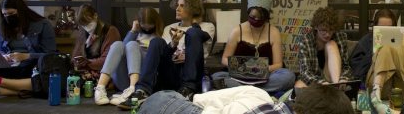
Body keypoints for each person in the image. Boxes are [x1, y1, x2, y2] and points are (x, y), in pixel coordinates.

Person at [120, 0, 215, 109]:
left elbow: (200, 50)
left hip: (191, 75)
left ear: (193, 9)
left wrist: (194, 24)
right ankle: (142, 91)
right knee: (156, 42)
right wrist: (173, 45)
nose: (177, 9)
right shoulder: (169, 28)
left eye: (182, 6)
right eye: (177, 5)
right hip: (171, 74)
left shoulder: (207, 26)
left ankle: (188, 90)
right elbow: (165, 56)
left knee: (192, 33)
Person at [212, 0, 295, 94]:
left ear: (266, 16)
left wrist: (261, 69)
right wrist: (243, 68)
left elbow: (278, 64)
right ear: (248, 13)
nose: (256, 20)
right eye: (253, 17)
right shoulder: (237, 31)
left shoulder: (273, 32)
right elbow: (224, 59)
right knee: (217, 76)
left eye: (260, 18)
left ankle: (245, 91)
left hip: (266, 76)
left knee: (289, 76)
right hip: (240, 75)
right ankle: (258, 91)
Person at [94, 7, 164, 105]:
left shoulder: (160, 36)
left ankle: (133, 89)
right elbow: (123, 50)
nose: (147, 29)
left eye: (150, 26)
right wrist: (133, 31)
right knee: (118, 44)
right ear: (139, 23)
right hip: (124, 77)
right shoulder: (135, 33)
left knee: (132, 44)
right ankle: (100, 87)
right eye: (144, 26)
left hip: (143, 81)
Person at [0, 0, 57, 98]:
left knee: (44, 77)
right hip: (10, 67)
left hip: (31, 67)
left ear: (21, 11)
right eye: (5, 14)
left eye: (11, 13)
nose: (8, 17)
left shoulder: (43, 25)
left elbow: (51, 55)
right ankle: (15, 92)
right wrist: (3, 57)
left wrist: (26, 56)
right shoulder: (3, 27)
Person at [137, 83, 354, 114]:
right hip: (169, 103)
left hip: (168, 99)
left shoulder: (258, 96)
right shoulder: (256, 98)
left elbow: (203, 100)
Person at [295, 7, 353, 88]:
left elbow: (346, 66)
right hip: (315, 79)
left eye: (331, 30)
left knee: (331, 44)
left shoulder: (340, 36)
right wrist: (321, 83)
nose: (328, 34)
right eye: (323, 30)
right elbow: (305, 72)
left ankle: (336, 87)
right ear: (316, 27)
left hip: (333, 78)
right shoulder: (306, 40)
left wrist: (343, 79)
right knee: (299, 86)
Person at [71, 4, 121, 83]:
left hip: (105, 74)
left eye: (89, 24)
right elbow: (75, 56)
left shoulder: (110, 31)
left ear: (95, 16)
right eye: (84, 26)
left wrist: (88, 62)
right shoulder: (83, 32)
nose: (87, 28)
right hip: (86, 71)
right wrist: (77, 61)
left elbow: (108, 60)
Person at [349, 8, 397, 82]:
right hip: (373, 77)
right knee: (384, 50)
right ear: (375, 27)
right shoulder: (366, 41)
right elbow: (357, 71)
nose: (385, 32)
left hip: (398, 77)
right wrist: (374, 50)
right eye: (381, 29)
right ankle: (377, 87)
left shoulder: (399, 39)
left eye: (388, 29)